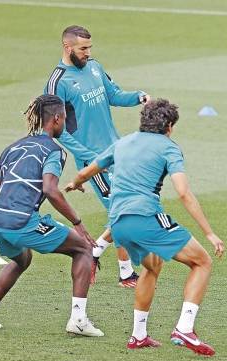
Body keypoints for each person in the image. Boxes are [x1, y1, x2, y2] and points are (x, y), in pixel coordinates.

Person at [65, 99, 225, 355]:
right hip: (144, 217)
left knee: (153, 266)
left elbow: (89, 170)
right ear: (169, 126)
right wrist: (209, 232)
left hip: (117, 223)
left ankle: (138, 335)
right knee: (202, 262)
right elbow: (183, 192)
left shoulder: (123, 142)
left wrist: (74, 183)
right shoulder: (169, 148)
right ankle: (185, 328)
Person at [45, 25, 151, 287]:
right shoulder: (58, 82)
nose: (88, 53)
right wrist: (89, 157)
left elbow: (114, 95)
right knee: (122, 210)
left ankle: (108, 260)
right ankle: (122, 270)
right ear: (67, 47)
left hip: (117, 151)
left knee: (125, 208)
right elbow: (57, 131)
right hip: (94, 161)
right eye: (83, 48)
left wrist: (138, 97)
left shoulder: (95, 67)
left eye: (90, 47)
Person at [0, 94, 103, 336]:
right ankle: (78, 319)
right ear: (56, 118)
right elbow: (50, 190)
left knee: (22, 259)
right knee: (84, 249)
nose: (64, 122)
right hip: (20, 221)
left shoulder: (12, 148)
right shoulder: (54, 150)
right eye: (64, 118)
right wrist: (79, 224)